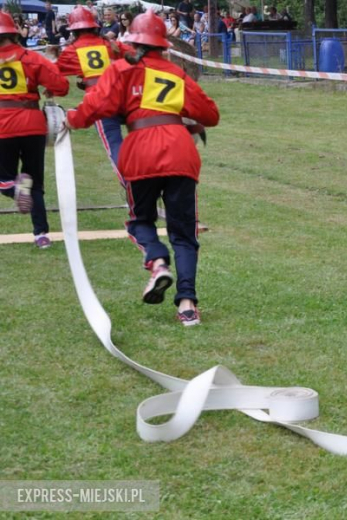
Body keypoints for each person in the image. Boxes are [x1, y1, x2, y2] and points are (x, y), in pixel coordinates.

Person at [64, 9, 220, 326]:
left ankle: (157, 262)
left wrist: (68, 118)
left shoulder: (122, 70)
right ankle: (187, 305)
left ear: (133, 43)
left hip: (140, 154)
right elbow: (210, 114)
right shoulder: (177, 74)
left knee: (140, 221)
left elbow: (93, 108)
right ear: (164, 45)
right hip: (179, 153)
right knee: (185, 234)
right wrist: (178, 118)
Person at [0, 11, 69, 248]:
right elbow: (62, 86)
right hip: (32, 123)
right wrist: (48, 87)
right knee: (36, 182)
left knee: (5, 179)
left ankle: (15, 188)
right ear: (13, 33)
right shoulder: (31, 57)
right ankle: (41, 235)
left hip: (3, 125)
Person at [56, 6, 131, 178]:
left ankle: (132, 185)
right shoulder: (110, 44)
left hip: (99, 101)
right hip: (124, 96)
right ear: (94, 26)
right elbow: (136, 56)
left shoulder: (72, 50)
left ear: (74, 30)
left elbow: (54, 74)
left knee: (114, 145)